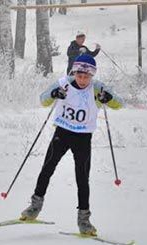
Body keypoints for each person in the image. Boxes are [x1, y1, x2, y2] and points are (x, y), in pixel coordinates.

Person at [20, 54, 123, 235]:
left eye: (87, 76)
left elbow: (119, 104)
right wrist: (54, 94)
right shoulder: (64, 83)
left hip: (83, 137)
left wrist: (108, 98)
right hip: (62, 133)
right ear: (74, 72)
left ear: (92, 75)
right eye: (79, 75)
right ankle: (34, 208)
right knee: (47, 168)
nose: (83, 80)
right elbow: (43, 100)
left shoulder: (97, 88)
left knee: (82, 178)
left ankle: (84, 220)